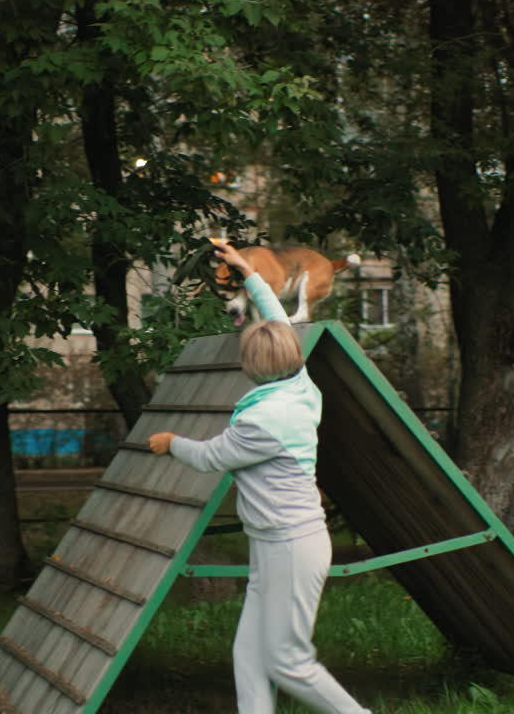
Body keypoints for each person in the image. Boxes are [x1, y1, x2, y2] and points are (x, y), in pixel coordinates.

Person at [147, 242, 371, 714]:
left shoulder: (260, 423)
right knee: (248, 655)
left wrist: (172, 443)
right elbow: (274, 317)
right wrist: (247, 270)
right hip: (272, 543)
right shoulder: (300, 384)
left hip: (292, 544)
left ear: (250, 369)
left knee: (288, 660)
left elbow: (210, 457)